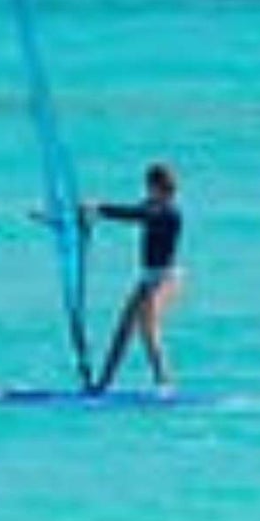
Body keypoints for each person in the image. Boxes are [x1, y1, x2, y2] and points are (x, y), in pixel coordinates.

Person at [87, 160, 186, 395]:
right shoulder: (152, 205)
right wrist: (86, 214)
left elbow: (136, 215)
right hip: (147, 278)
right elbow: (135, 212)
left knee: (148, 324)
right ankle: (102, 385)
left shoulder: (170, 213)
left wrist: (100, 208)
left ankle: (165, 384)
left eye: (163, 190)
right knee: (123, 330)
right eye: (157, 189)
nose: (155, 193)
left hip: (168, 278)